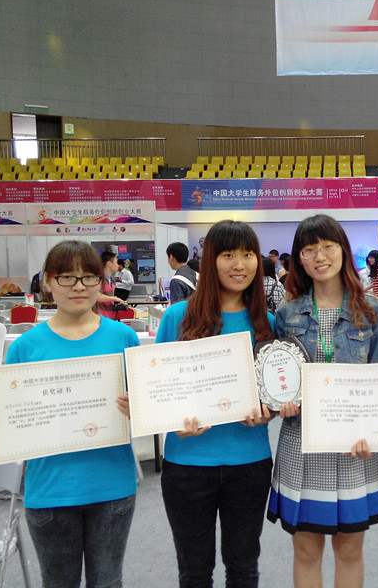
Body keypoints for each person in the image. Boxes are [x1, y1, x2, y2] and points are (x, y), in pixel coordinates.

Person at [0, 240, 140, 587]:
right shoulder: (25, 347)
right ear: (48, 281)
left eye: (89, 277)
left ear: (101, 282)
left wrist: (141, 409)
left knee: (108, 582)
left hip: (112, 487)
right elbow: (11, 417)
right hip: (49, 491)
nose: (79, 286)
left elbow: (146, 407)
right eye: (67, 277)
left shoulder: (123, 338)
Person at [267, 214, 378, 588]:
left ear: (343, 250)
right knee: (306, 551)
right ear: (299, 259)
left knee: (349, 550)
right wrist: (281, 401)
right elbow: (278, 376)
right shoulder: (287, 313)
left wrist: (376, 433)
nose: (320, 256)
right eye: (309, 249)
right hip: (301, 443)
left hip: (354, 446)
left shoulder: (372, 310)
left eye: (328, 246)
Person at [156, 220, 275, 587]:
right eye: (228, 255)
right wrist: (171, 418)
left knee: (244, 568)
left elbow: (276, 391)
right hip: (188, 464)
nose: (239, 265)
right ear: (210, 260)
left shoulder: (267, 322)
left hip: (249, 463)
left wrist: (268, 413)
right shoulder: (178, 317)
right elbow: (159, 387)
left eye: (248, 255)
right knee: (194, 571)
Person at [96, 250, 125, 318]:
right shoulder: (98, 279)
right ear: (109, 264)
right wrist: (114, 298)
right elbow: (95, 295)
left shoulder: (111, 280)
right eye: (116, 262)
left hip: (110, 317)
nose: (118, 265)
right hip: (100, 318)